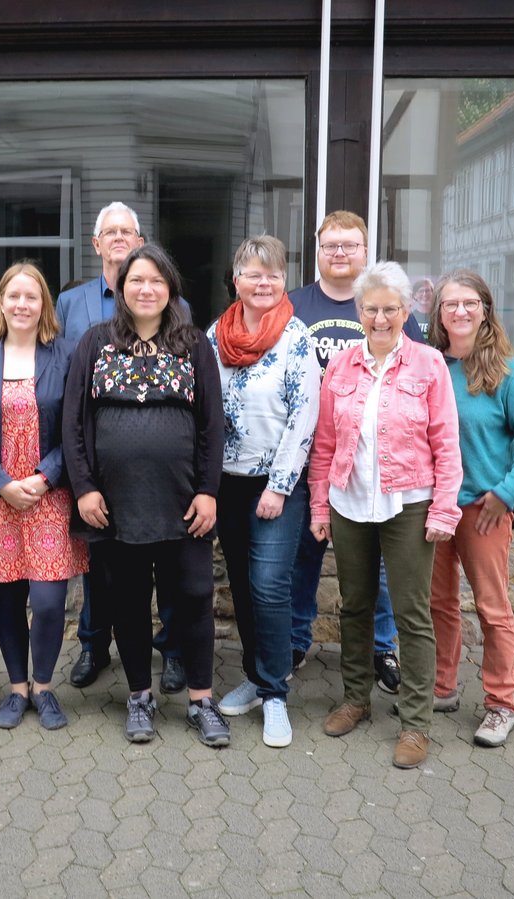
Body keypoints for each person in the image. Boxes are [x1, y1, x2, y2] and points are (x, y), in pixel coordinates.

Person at [62, 244, 229, 747]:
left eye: (156, 280)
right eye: (137, 280)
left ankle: (202, 700)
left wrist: (208, 491)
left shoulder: (194, 345)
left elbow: (212, 425)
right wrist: (85, 489)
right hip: (114, 507)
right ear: (120, 287)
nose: (146, 289)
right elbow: (71, 424)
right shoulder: (94, 343)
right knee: (127, 604)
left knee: (196, 598)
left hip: (183, 504)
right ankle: (139, 697)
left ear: (170, 289)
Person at [308, 261, 463, 769]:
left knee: (411, 614)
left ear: (406, 311)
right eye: (371, 309)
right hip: (350, 500)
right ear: (359, 312)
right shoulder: (341, 366)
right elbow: (326, 442)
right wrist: (318, 505)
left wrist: (444, 506)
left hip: (408, 503)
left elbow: (445, 439)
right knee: (354, 604)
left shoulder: (428, 364)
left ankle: (416, 724)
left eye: (390, 309)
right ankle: (355, 698)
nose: (380, 318)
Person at [288, 211, 424, 693]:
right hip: (307, 459)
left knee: (380, 563)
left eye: (350, 245)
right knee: (303, 554)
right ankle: (295, 638)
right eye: (330, 245)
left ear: (365, 252)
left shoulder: (384, 304)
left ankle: (382, 647)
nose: (340, 253)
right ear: (318, 251)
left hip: (373, 467)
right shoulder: (291, 305)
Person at [56, 201, 186, 694]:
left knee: (167, 570)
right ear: (96, 244)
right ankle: (93, 644)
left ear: (139, 241)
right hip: (95, 451)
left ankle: (171, 650)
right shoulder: (72, 303)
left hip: (161, 473)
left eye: (125, 231)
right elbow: (68, 376)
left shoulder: (172, 306)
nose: (116, 238)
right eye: (107, 232)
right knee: (98, 561)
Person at [0, 263, 88, 730]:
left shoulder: (66, 355)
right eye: (13, 296)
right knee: (9, 599)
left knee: (50, 600)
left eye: (31, 297)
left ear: (44, 305)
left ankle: (45, 685)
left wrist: (44, 477)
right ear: (0, 302)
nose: (21, 304)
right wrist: (2, 483)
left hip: (48, 494)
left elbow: (76, 427)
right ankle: (17, 689)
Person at [209, 235, 321, 748]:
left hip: (278, 487)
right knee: (241, 583)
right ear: (237, 280)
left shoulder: (296, 338)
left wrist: (278, 487)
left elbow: (304, 418)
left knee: (270, 586)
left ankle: (275, 693)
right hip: (226, 484)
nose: (263, 282)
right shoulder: (216, 336)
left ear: (283, 281)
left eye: (273, 274)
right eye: (253, 273)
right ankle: (255, 677)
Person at [427, 270, 514, 747]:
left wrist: (505, 493)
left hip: (483, 508)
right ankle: (442, 687)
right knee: (437, 604)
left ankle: (500, 704)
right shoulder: (430, 365)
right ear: (438, 314)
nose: (460, 311)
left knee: (493, 608)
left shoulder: (508, 370)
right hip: (434, 510)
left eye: (469, 303)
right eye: (450, 303)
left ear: (485, 309)